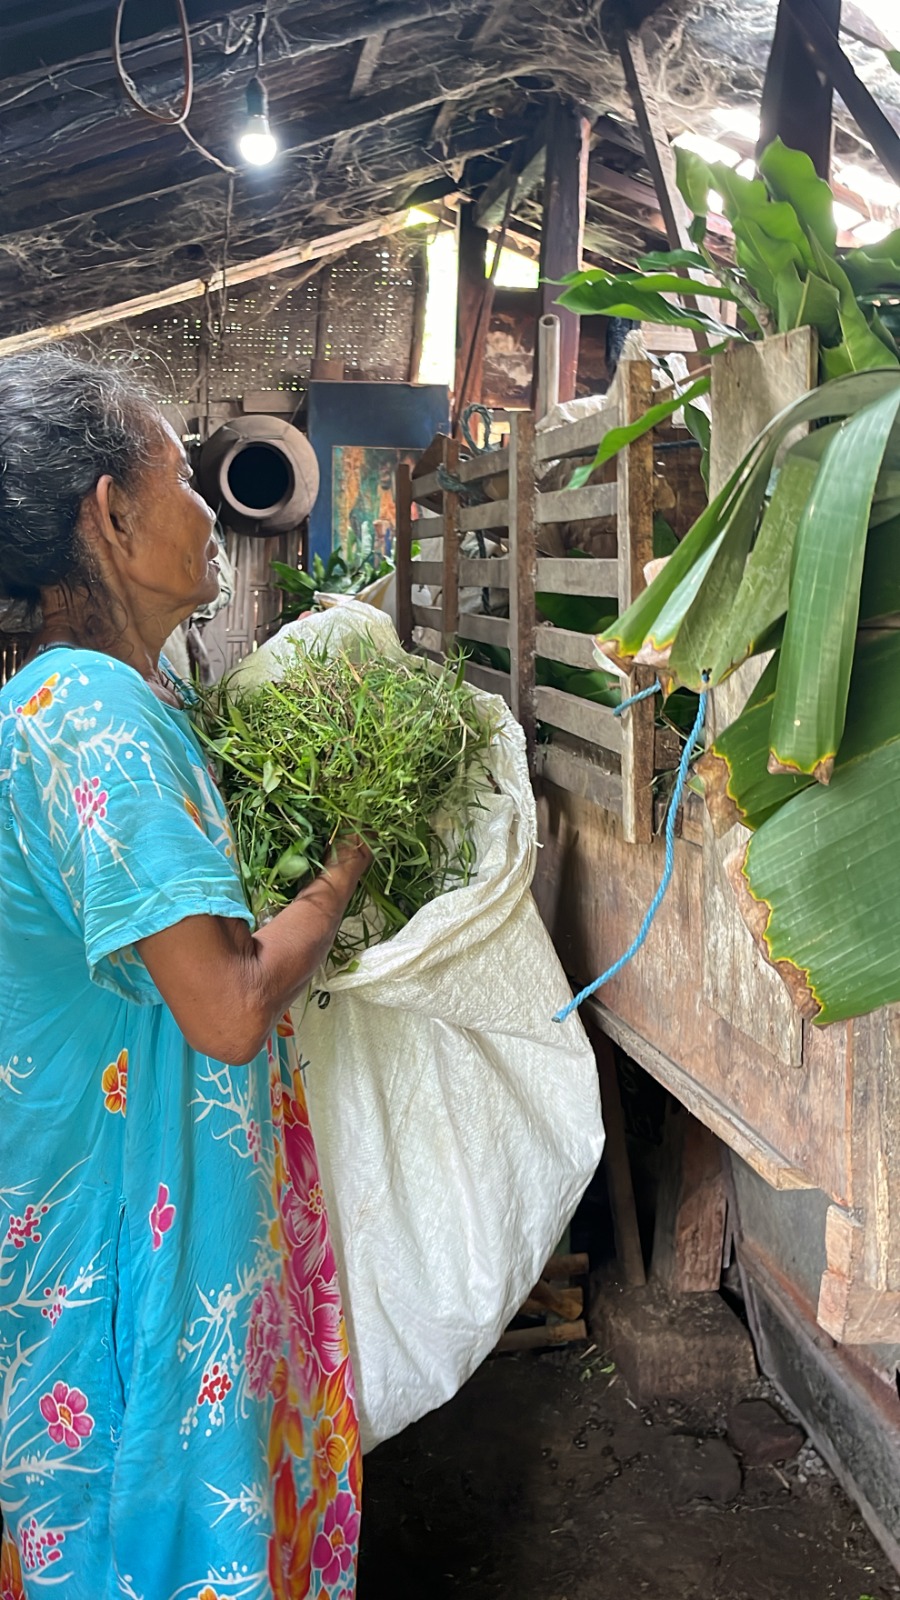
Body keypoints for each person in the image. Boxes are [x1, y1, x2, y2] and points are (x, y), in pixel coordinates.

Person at [0, 351, 370, 1599]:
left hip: (89, 1194)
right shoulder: (93, 712)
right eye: (182, 477)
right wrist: (340, 874)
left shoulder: (85, 699)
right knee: (136, 1530)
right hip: (119, 1235)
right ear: (109, 513)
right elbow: (226, 1005)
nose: (210, 508)